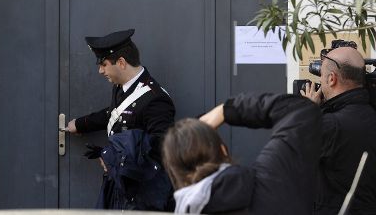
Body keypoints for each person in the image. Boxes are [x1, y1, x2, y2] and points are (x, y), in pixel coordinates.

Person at [66, 28, 175, 210]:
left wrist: (114, 159)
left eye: (104, 64)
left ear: (122, 63)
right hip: (119, 186)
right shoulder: (121, 86)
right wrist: (80, 124)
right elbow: (112, 114)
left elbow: (160, 149)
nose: (101, 71)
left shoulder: (156, 99)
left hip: (141, 194)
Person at [163, 93, 322, 214]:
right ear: (223, 149)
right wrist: (225, 111)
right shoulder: (269, 181)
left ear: (173, 172)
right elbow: (299, 111)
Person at [301, 46, 376, 214]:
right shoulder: (370, 116)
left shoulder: (329, 126)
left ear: (332, 79)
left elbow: (294, 165)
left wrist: (309, 116)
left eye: (321, 77)